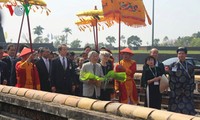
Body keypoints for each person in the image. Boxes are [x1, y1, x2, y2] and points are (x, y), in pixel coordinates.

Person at [168, 47, 196, 115]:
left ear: (186, 54)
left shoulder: (190, 66)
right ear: (177, 55)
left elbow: (192, 79)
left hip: (187, 92)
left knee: (187, 111)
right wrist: (178, 89)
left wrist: (186, 89)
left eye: (182, 53)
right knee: (174, 112)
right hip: (176, 92)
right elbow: (171, 78)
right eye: (179, 53)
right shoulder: (173, 65)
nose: (181, 55)